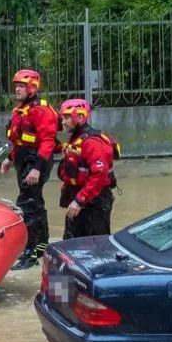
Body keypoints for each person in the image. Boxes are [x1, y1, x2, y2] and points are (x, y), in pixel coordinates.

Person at [0, 69, 58, 270]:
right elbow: (19, 140)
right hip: (24, 161)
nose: (17, 88)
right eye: (16, 85)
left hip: (36, 162)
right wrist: (9, 159)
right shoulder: (20, 111)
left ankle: (31, 252)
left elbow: (48, 142)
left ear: (32, 87)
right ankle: (41, 245)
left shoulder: (41, 111)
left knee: (27, 204)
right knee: (35, 203)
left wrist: (37, 170)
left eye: (22, 86)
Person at [57, 99, 119, 239]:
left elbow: (99, 177)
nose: (63, 122)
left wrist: (79, 200)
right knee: (71, 240)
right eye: (63, 117)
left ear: (79, 117)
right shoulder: (75, 140)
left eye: (66, 117)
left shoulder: (93, 142)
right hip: (80, 198)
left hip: (94, 202)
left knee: (96, 246)